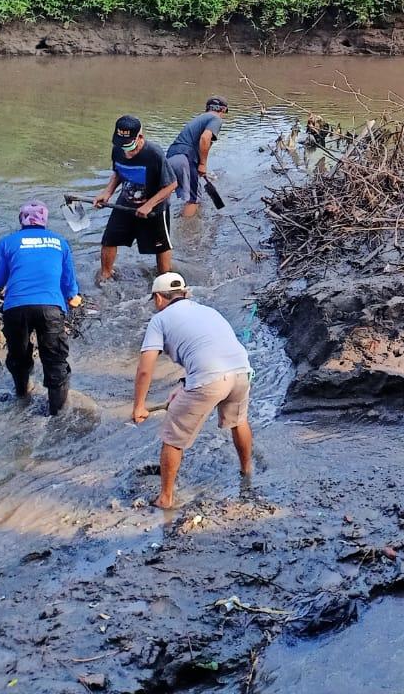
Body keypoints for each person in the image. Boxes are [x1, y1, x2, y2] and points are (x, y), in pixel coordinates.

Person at [130, 272, 253, 509]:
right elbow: (207, 350)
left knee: (172, 438)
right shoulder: (208, 311)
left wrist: (139, 406)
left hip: (210, 379)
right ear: (185, 293)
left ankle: (165, 498)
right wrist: (184, 385)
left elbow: (145, 369)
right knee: (239, 421)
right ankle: (247, 471)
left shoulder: (160, 320)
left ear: (158, 298)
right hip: (241, 371)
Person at [0, 201, 83, 414]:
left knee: (18, 355)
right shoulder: (60, 242)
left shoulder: (8, 242)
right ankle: (57, 414)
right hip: (50, 308)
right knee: (55, 360)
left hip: (16, 308)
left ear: (21, 219)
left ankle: (22, 395)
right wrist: (72, 297)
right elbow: (69, 284)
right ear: (45, 220)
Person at [94, 116, 178, 284]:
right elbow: (118, 172)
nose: (126, 150)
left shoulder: (153, 153)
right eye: (122, 144)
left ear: (140, 137)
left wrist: (149, 205)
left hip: (154, 208)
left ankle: (165, 282)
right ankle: (105, 276)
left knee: (161, 246)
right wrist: (107, 192)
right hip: (125, 201)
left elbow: (172, 185)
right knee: (109, 240)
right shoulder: (117, 150)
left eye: (129, 144)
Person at [166, 97, 228, 219]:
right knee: (193, 200)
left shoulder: (200, 118)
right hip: (185, 158)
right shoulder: (216, 119)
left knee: (171, 192)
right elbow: (205, 139)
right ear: (223, 109)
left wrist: (199, 165)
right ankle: (188, 234)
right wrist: (203, 164)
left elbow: (199, 144)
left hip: (171, 156)